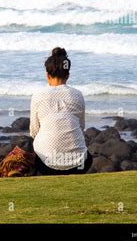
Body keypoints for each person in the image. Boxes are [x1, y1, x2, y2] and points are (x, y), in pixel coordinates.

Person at [30, 47, 92, 175]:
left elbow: (34, 131)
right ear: (68, 75)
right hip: (79, 163)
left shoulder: (38, 95)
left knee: (35, 152)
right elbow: (81, 127)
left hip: (46, 164)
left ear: (47, 75)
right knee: (88, 157)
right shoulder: (77, 95)